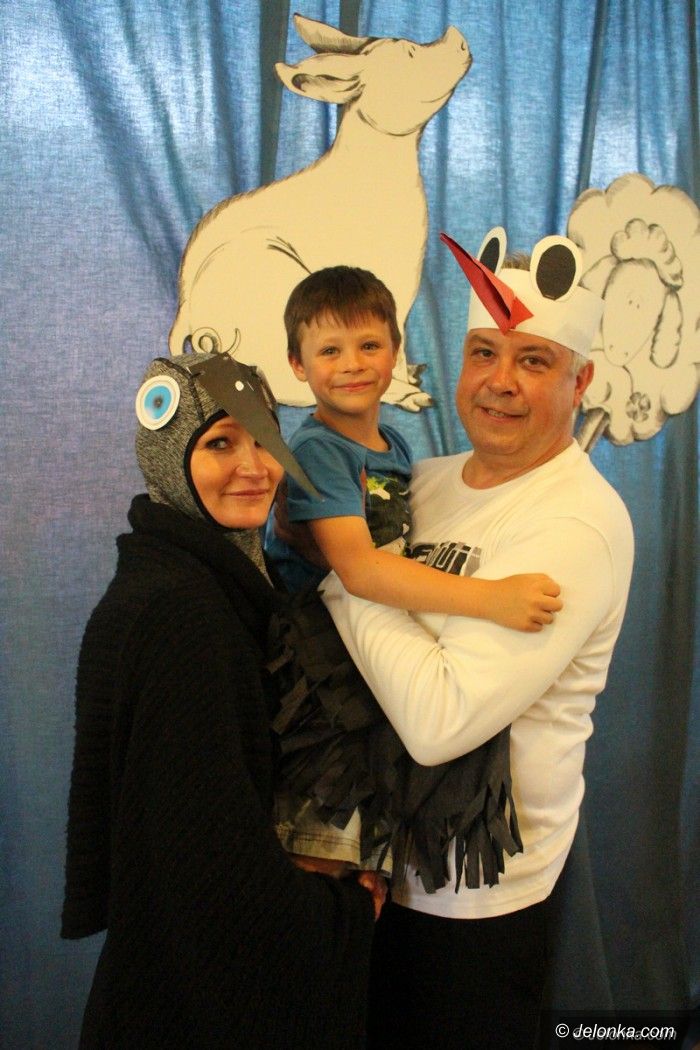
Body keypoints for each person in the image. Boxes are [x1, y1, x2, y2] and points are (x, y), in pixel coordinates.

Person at [318, 228, 635, 1049]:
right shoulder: (417, 481)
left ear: (580, 380)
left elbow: (439, 721)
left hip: (475, 902)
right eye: (484, 352)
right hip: (376, 869)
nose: (500, 381)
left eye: (534, 360)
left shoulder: (579, 524)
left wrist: (348, 574)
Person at [61, 349, 382, 1050]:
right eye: (219, 444)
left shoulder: (183, 582)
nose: (254, 467)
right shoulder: (185, 616)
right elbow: (209, 871)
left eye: (263, 439)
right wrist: (341, 912)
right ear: (169, 456)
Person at [266, 265, 563, 881]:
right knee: (320, 846)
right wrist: (491, 598)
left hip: (366, 660)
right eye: (329, 351)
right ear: (296, 364)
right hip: (317, 674)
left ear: (396, 352)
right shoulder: (319, 450)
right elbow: (360, 571)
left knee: (369, 852)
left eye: (369, 345)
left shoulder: (395, 445)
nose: (352, 364)